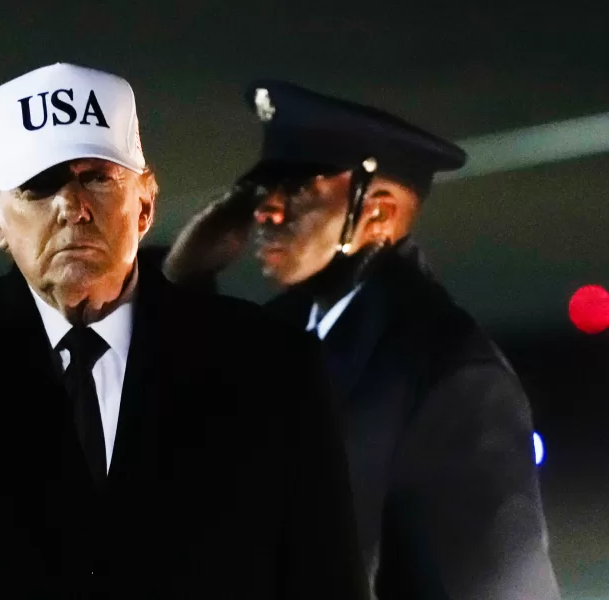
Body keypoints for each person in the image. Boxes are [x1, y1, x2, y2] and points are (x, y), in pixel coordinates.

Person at [0, 64, 367, 599]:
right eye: (39, 185)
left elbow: (326, 579)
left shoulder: (267, 365)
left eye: (97, 177)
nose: (71, 207)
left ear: (146, 203)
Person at [163, 80, 560, 599]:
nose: (266, 212)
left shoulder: (447, 373)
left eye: (299, 190)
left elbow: (493, 587)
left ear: (377, 213)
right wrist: (184, 282)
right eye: (263, 190)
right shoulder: (285, 330)